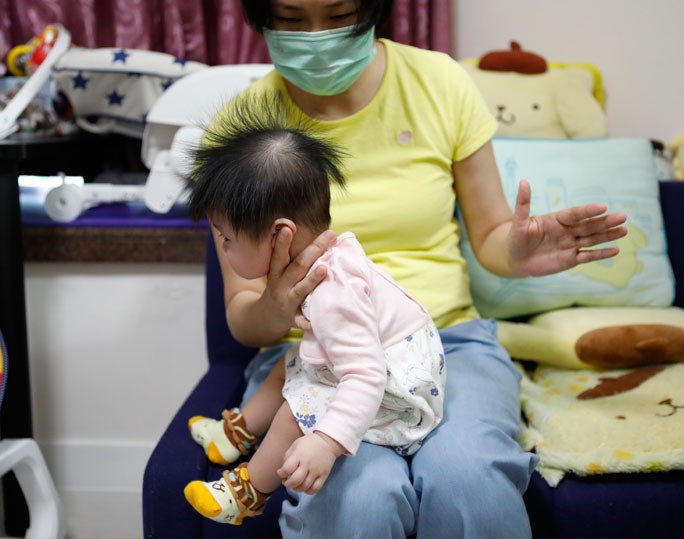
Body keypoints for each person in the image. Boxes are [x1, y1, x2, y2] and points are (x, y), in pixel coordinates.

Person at [196, 1, 629, 537]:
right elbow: (242, 316)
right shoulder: (241, 131)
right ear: (261, 16)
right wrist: (276, 304)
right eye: (290, 19)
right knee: (359, 499)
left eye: (339, 14)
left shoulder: (439, 83)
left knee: (467, 477)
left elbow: (492, 237)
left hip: (446, 342)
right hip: (314, 357)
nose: (316, 36)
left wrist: (515, 252)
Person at [182, 94, 446, 525]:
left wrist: (324, 442)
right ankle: (235, 434)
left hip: (401, 390)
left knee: (296, 408)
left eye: (227, 239)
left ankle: (247, 491)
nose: (223, 250)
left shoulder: (331, 292)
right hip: (389, 359)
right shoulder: (321, 258)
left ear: (279, 235)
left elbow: (365, 375)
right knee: (288, 367)